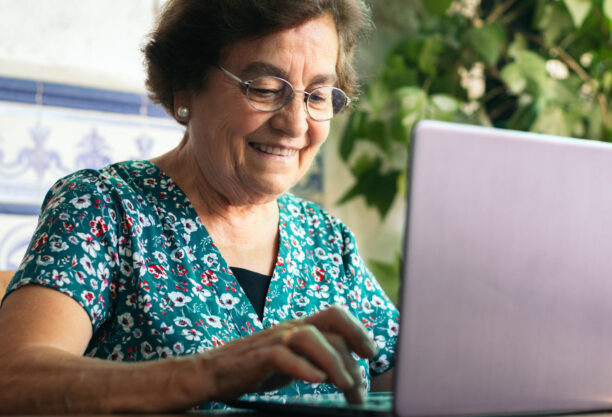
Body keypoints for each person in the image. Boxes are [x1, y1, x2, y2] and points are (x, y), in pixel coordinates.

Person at [0, 0, 399, 413]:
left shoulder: (329, 242)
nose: (296, 124)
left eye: (317, 95)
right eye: (264, 88)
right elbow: (12, 380)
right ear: (185, 87)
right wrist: (211, 373)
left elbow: (415, 378)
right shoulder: (102, 208)